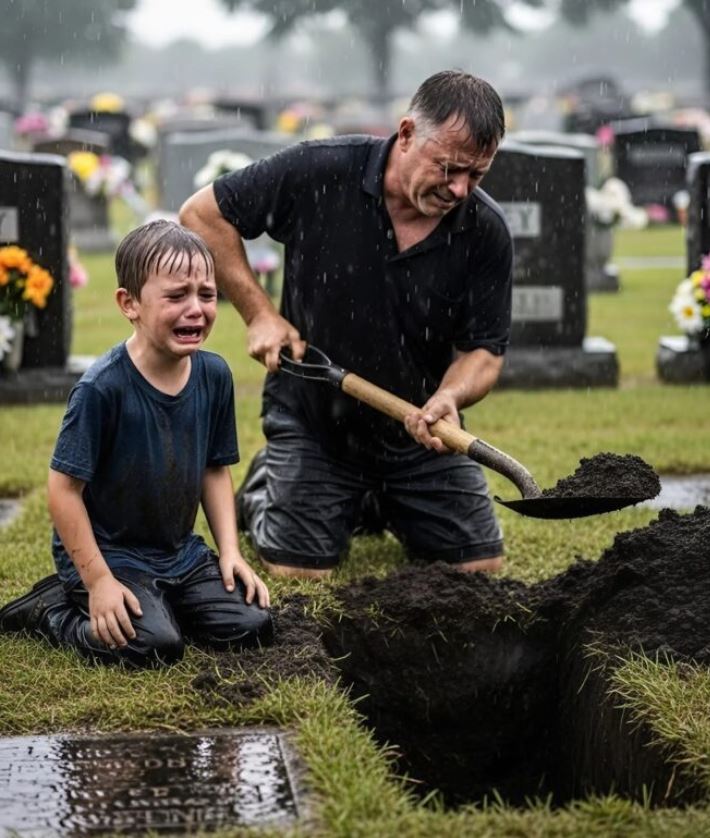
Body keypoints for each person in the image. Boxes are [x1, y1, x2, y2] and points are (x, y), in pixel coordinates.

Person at [179, 70, 512, 580]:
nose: (461, 189)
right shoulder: (320, 171)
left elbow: (485, 353)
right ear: (405, 134)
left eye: (477, 175)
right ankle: (268, 483)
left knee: (479, 565)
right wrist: (260, 314)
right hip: (316, 422)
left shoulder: (484, 231)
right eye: (449, 168)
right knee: (299, 571)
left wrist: (450, 397)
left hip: (415, 433)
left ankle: (376, 500)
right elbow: (201, 214)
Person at [0, 220, 273, 667]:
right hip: (113, 554)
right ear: (130, 304)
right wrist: (99, 582)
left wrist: (229, 553)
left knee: (250, 624)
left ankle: (162, 601)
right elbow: (62, 490)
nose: (196, 309)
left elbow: (213, 469)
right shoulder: (102, 389)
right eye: (176, 296)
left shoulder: (214, 376)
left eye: (206, 294)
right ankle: (53, 611)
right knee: (153, 646)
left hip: (179, 554)